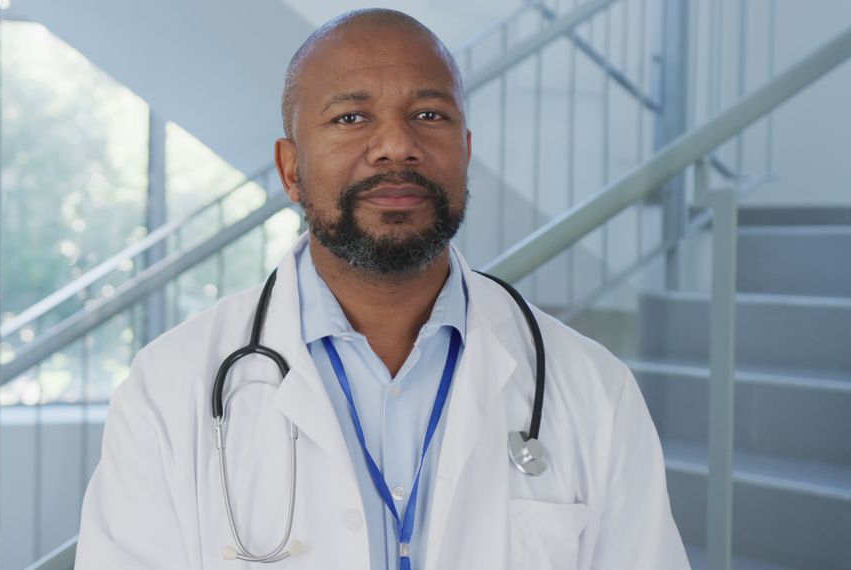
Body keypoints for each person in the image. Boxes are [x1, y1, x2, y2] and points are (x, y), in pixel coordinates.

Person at [76, 8, 688, 569]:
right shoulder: (169, 389)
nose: (398, 145)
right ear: (292, 170)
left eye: (430, 115)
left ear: (465, 151)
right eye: (351, 117)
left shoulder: (592, 389)